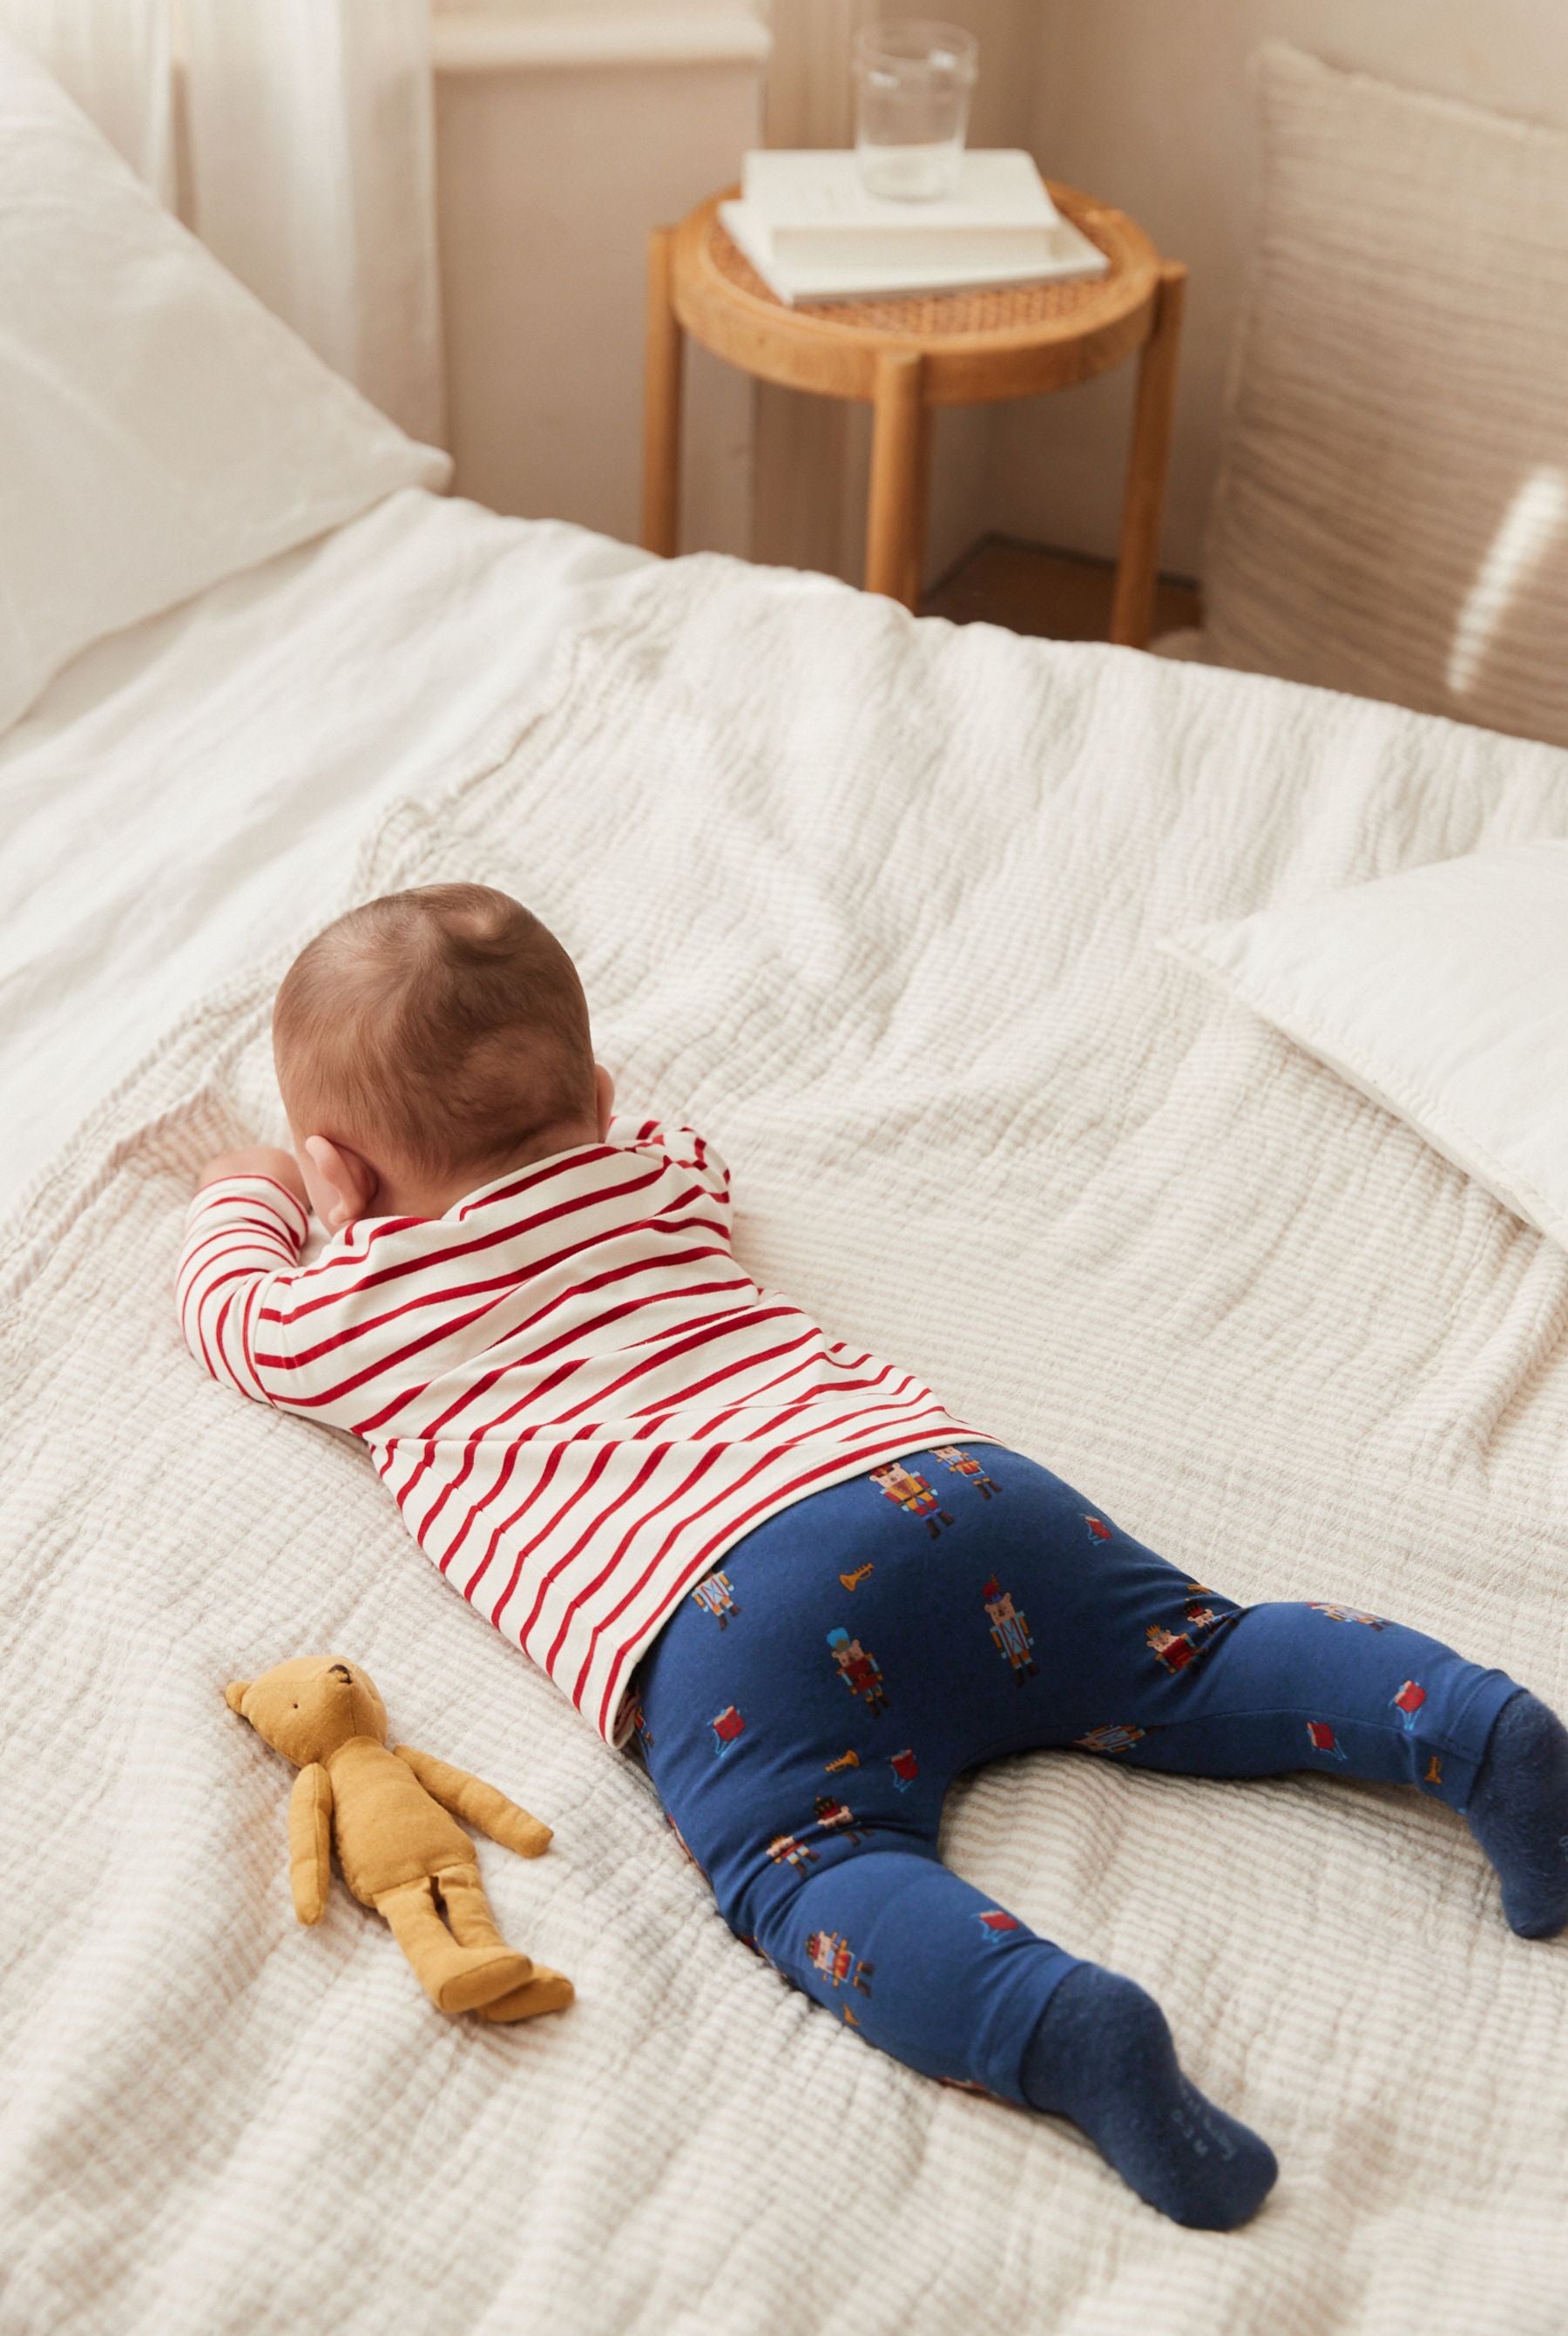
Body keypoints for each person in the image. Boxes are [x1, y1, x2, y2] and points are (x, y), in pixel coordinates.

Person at [178, 883, 1568, 2231]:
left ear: (346, 1174)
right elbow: (678, 1137)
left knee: (806, 1864)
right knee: (1198, 1655)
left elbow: (234, 1316)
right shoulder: (650, 1175)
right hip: (954, 1495)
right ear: (598, 1102)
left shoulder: (361, 1300)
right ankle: (1476, 1730)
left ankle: (1057, 2024)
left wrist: (259, 1190)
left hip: (721, 1619)